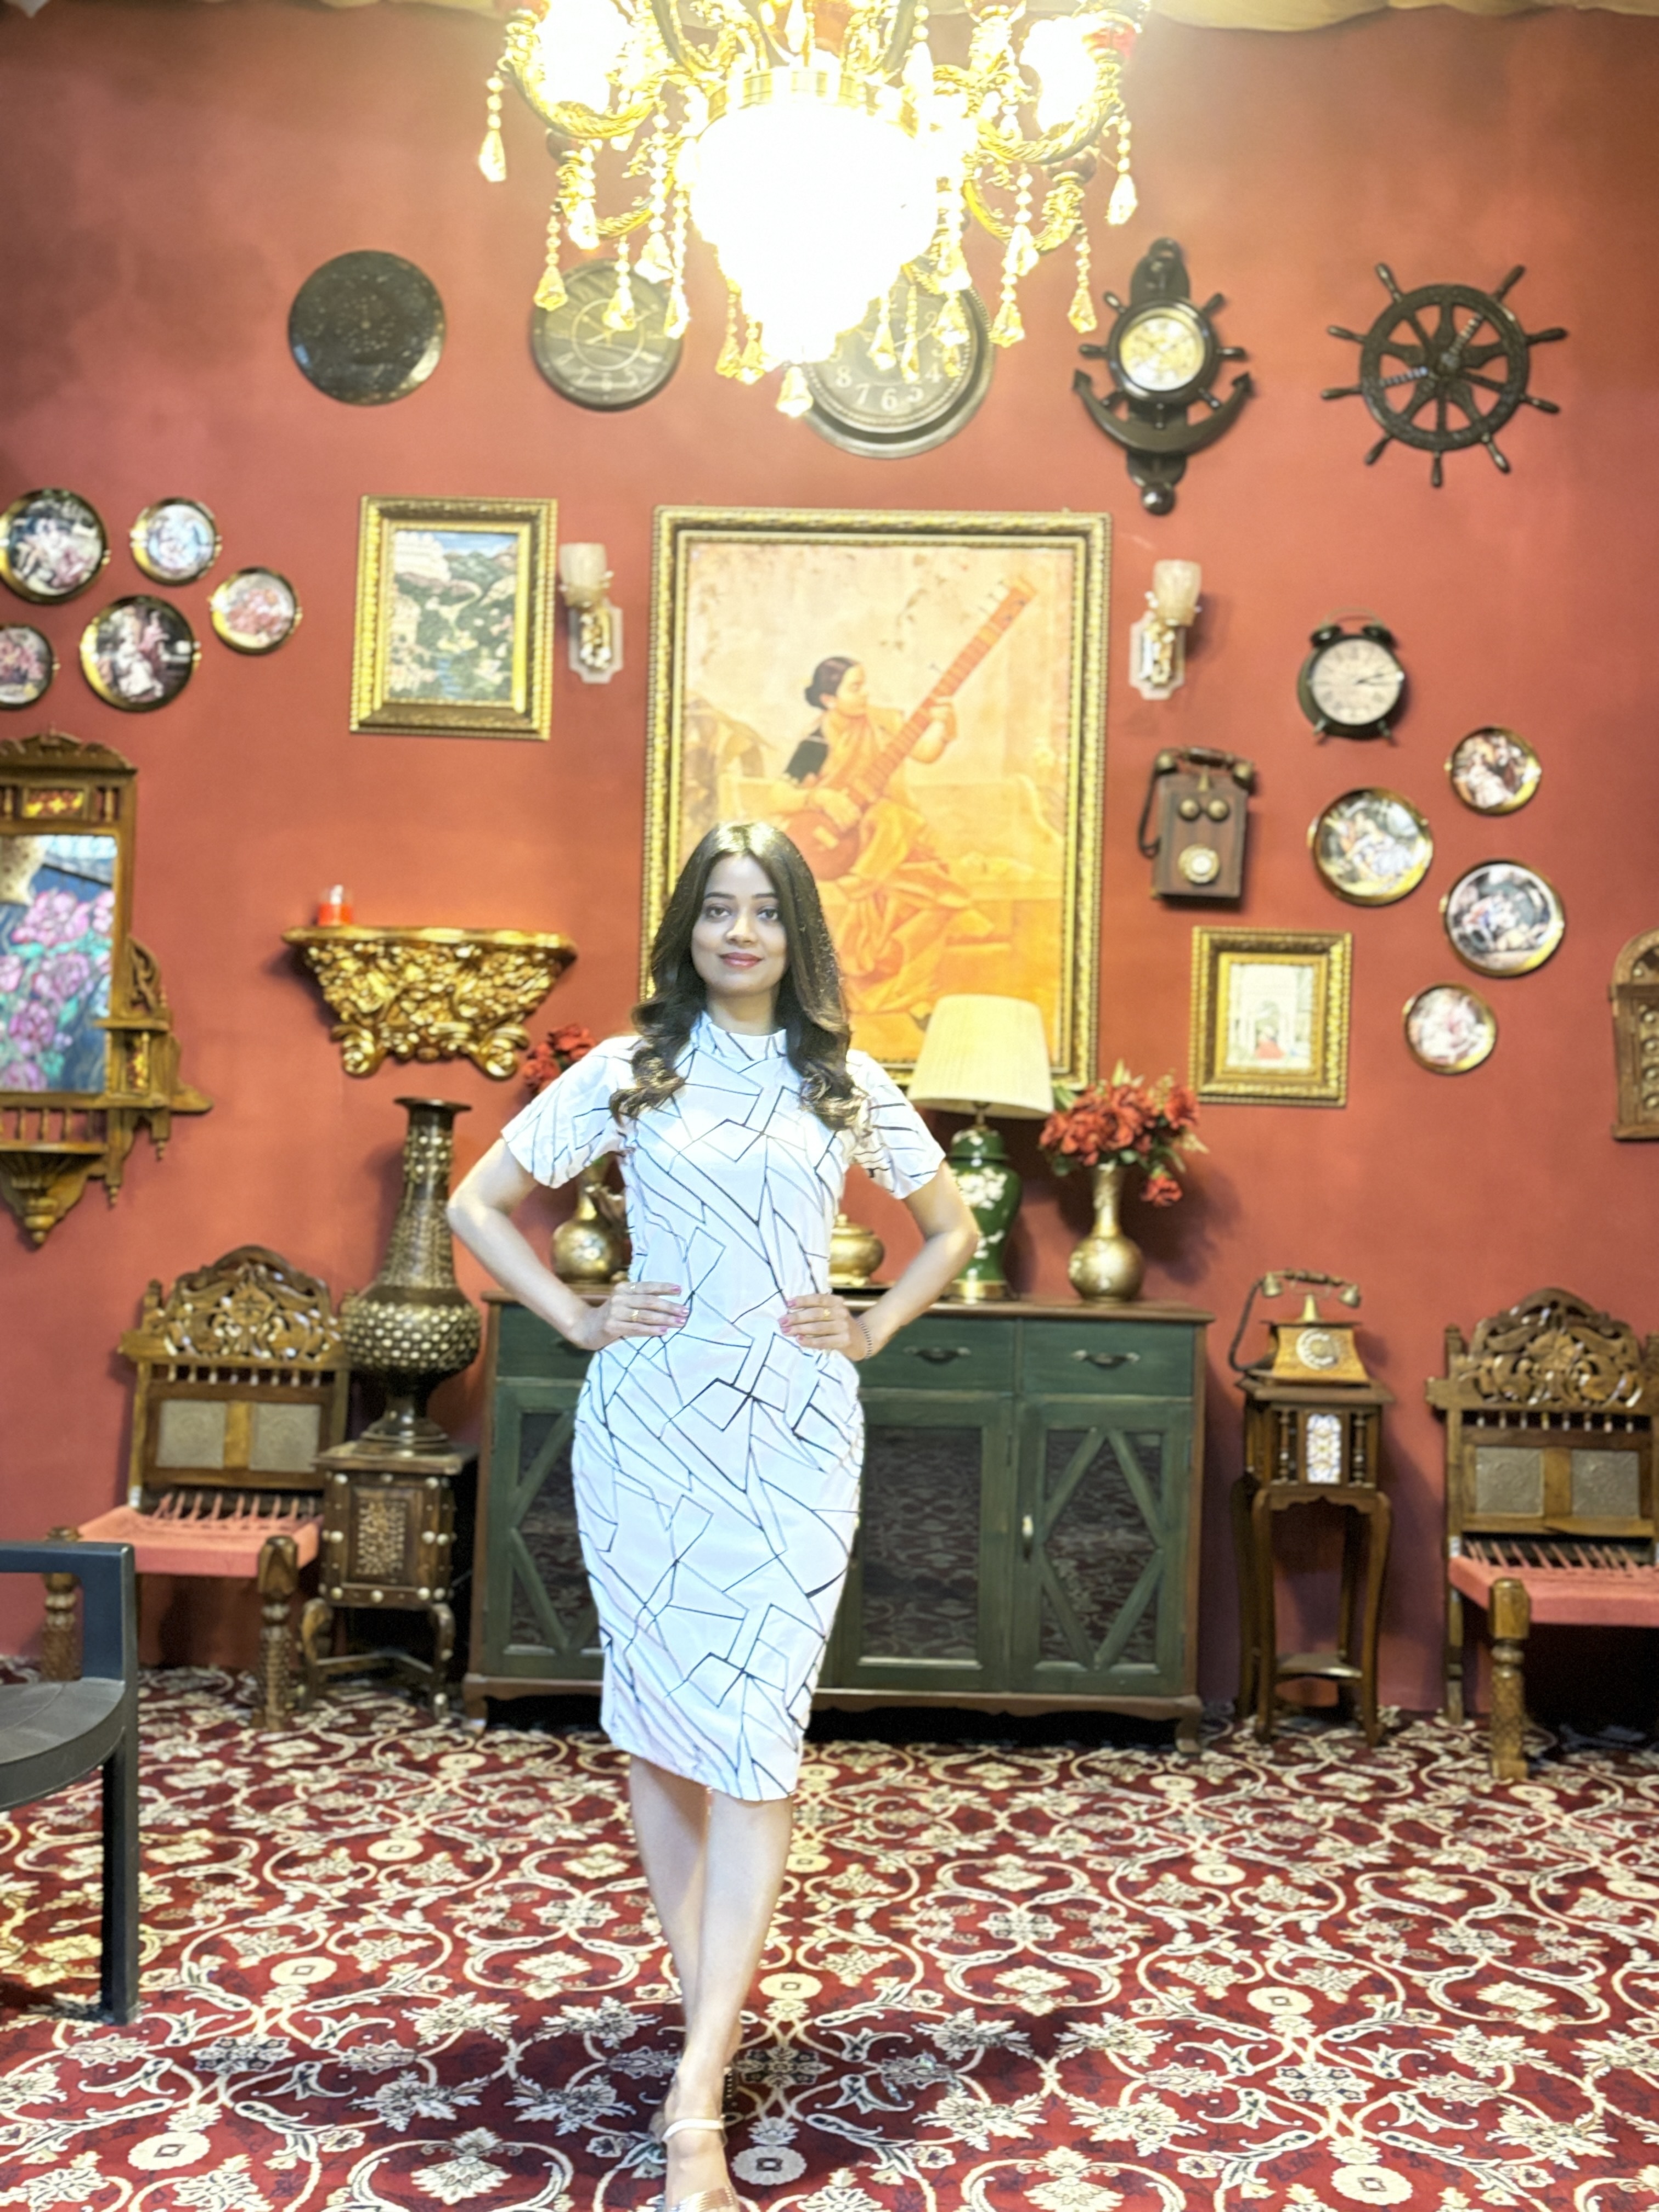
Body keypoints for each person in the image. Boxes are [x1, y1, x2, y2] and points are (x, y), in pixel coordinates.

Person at [447, 820, 978, 2212]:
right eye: (719, 909)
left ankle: (695, 2095)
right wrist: (575, 1314)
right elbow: (478, 1203)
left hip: (793, 1435)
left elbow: (953, 1229)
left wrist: (874, 1324)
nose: (741, 933)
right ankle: (712, 2042)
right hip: (651, 1432)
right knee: (662, 1731)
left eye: (766, 911)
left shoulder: (842, 1079)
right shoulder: (633, 1071)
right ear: (687, 926)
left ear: (800, 933)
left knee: (757, 1747)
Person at [772, 657, 992, 1035]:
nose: (866, 694)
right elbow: (779, 795)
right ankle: (938, 899)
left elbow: (923, 753)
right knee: (897, 824)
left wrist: (944, 729)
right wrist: (821, 798)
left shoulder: (883, 724)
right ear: (829, 699)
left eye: (865, 684)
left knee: (907, 861)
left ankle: (912, 995)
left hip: (886, 847)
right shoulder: (818, 741)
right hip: (841, 845)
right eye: (855, 687)